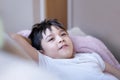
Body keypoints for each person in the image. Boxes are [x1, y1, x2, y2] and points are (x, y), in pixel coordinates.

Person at [11, 19, 120, 80]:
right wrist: (34, 42)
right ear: (41, 51)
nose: (60, 40)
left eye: (63, 34)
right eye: (51, 39)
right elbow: (15, 38)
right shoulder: (47, 62)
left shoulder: (91, 56)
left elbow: (117, 72)